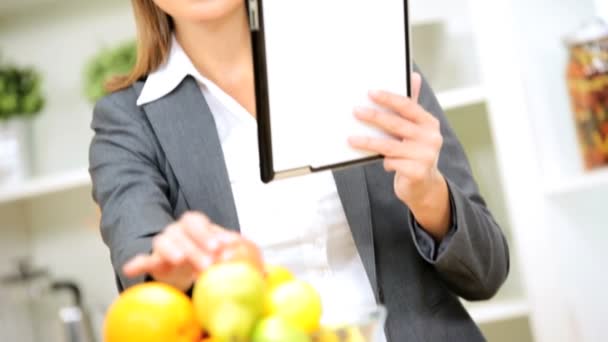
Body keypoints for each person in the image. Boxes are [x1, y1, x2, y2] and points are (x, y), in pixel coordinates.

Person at [89, 1, 509, 341]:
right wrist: (174, 264)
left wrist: (429, 195)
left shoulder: (369, 60)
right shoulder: (126, 120)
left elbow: (487, 273)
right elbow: (141, 271)